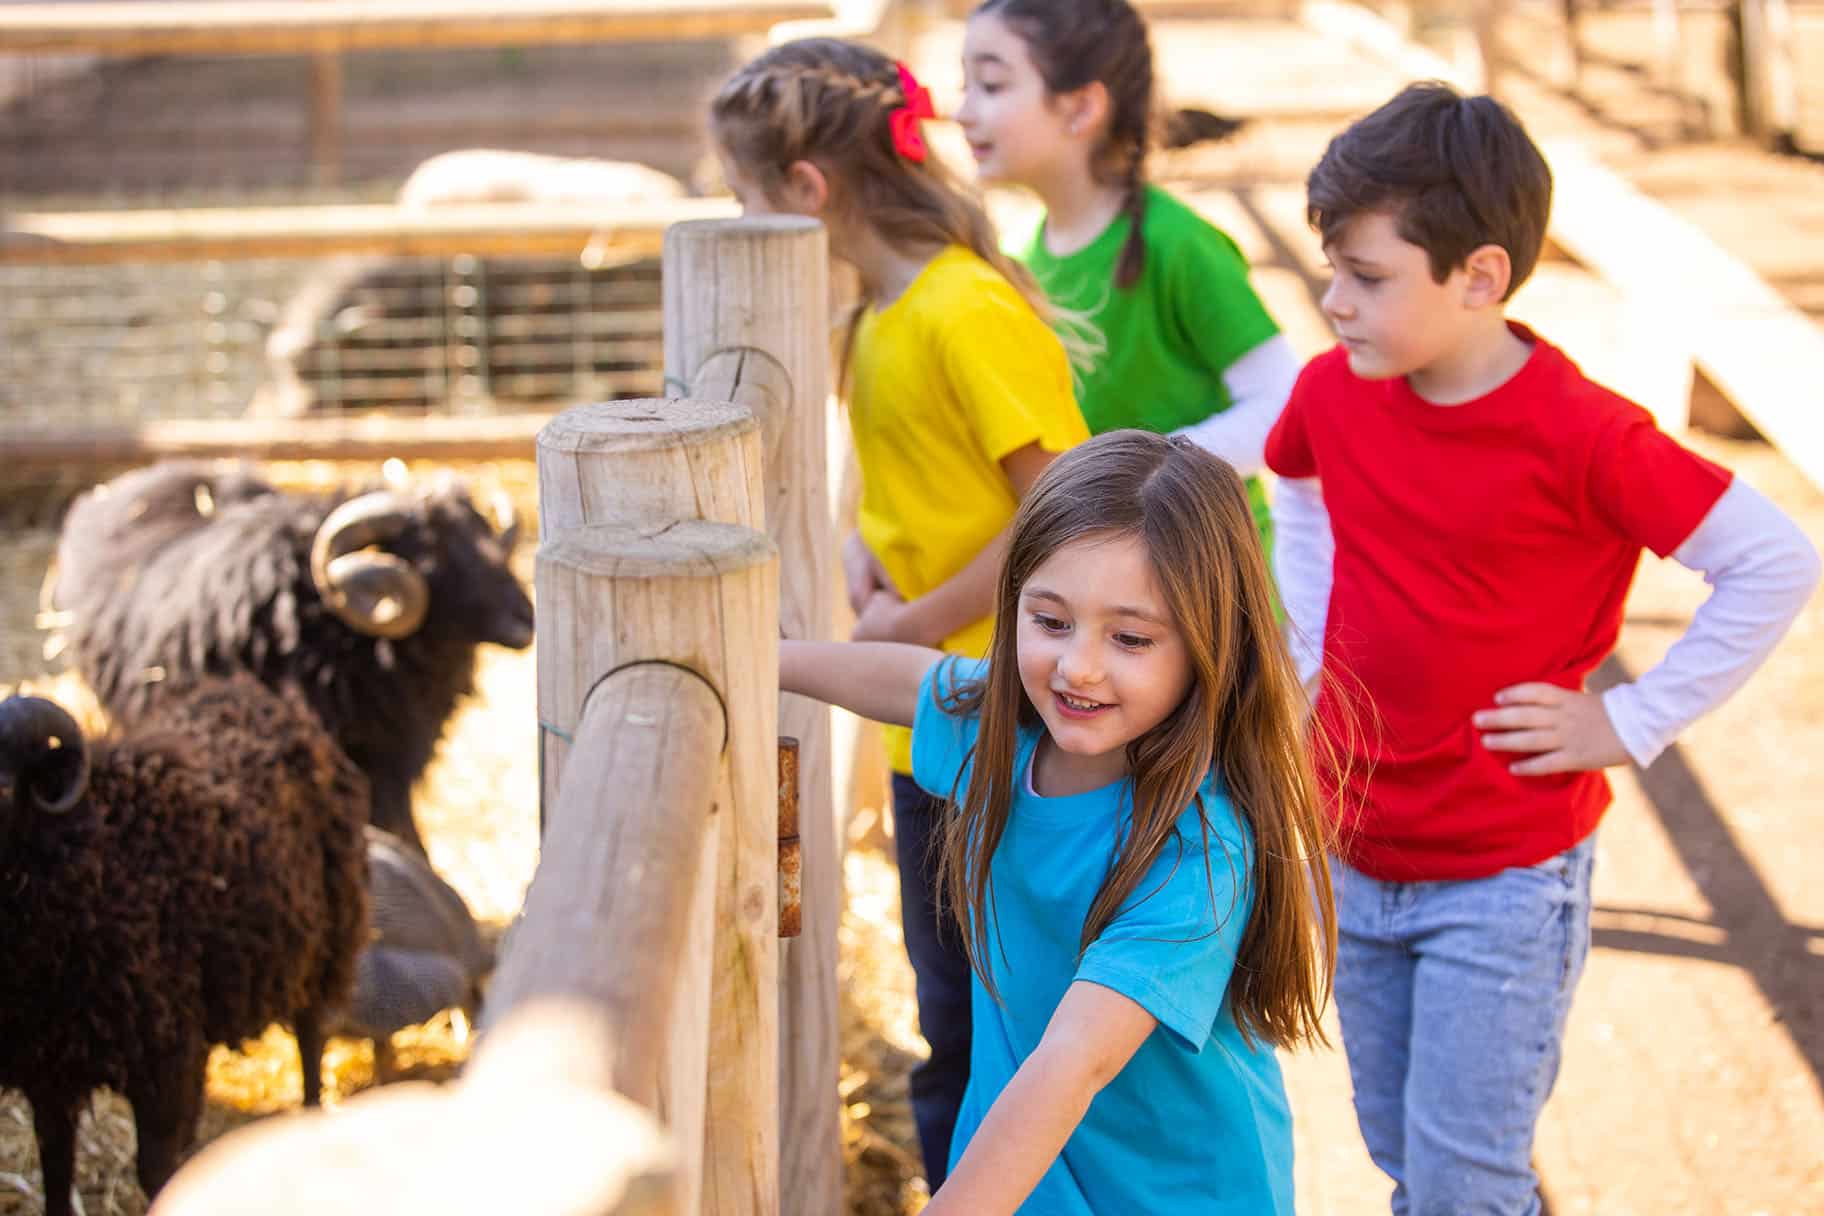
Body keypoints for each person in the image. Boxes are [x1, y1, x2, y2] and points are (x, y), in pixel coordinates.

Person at [1265, 82, 1821, 1215]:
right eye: (1332, 269)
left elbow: (1774, 559)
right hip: (1355, 848)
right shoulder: (1334, 394)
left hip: (1507, 874)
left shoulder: (1587, 433)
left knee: (1466, 1181)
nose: (1331, 302)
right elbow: (1295, 490)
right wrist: (1307, 644)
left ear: (1479, 278)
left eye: (1366, 277)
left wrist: (1628, 718)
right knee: (1401, 1153)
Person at [781, 430, 1338, 1214]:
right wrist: (772, 659)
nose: (1078, 665)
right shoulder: (1005, 727)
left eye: (1130, 638)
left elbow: (1073, 1063)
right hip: (1027, 1178)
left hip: (1174, 1195)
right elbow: (914, 683)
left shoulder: (1196, 853)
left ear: (1211, 642)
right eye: (1050, 621)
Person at [711, 38, 1090, 1186]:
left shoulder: (961, 310)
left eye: (747, 200)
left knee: (1000, 1029)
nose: (744, 221)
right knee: (952, 1023)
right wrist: (869, 557)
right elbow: (915, 483)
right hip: (933, 728)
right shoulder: (876, 316)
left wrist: (914, 614)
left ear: (808, 192)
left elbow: (1062, 514)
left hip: (1021, 727)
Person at [956, 0, 1300, 554]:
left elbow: (1282, 404)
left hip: (1211, 575)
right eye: (963, 85)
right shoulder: (1017, 254)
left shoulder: (1179, 244)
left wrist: (1136, 474)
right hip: (1103, 580)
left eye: (991, 86)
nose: (962, 112)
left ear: (1081, 107)